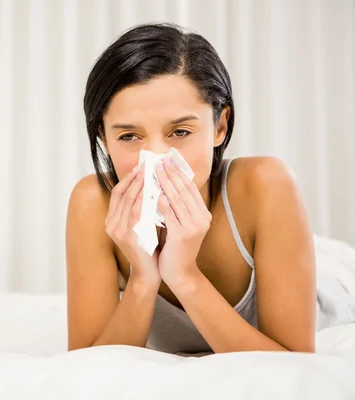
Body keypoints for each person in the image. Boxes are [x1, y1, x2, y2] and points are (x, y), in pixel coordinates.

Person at [65, 22, 320, 355]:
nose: (155, 156)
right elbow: (86, 365)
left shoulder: (265, 185)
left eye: (180, 132)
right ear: (104, 138)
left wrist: (184, 275)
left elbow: (296, 365)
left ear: (220, 126)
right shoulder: (93, 204)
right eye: (129, 136)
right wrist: (143, 278)